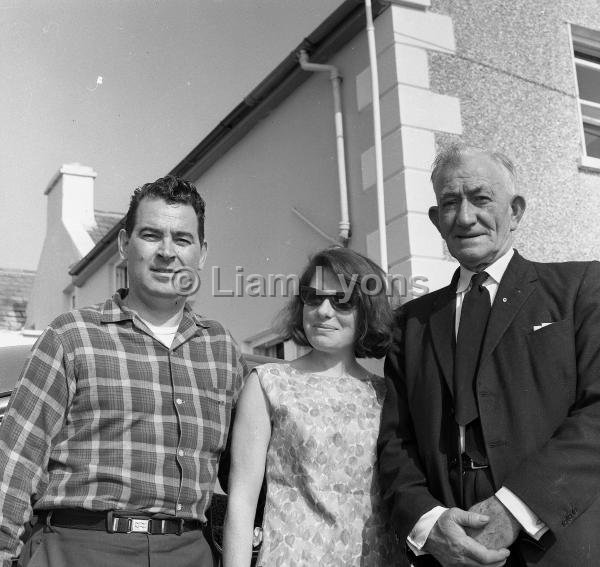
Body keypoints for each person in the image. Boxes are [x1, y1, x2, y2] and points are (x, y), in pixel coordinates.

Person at [0, 176, 246, 567]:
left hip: (189, 553)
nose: (167, 252)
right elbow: (13, 465)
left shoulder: (221, 351)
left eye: (182, 239)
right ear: (123, 244)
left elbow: (247, 476)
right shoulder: (71, 336)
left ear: (201, 253)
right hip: (78, 548)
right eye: (151, 235)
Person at [377, 143, 600, 566]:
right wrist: (429, 523)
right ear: (436, 222)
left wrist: (516, 509)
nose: (464, 217)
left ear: (515, 211)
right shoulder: (410, 324)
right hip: (448, 556)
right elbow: (396, 442)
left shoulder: (579, 290)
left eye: (481, 198)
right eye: (449, 203)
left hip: (557, 549)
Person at [222, 247, 404, 566]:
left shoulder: (385, 395)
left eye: (342, 300)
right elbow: (241, 502)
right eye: (313, 297)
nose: (323, 311)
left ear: (367, 308)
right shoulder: (268, 384)